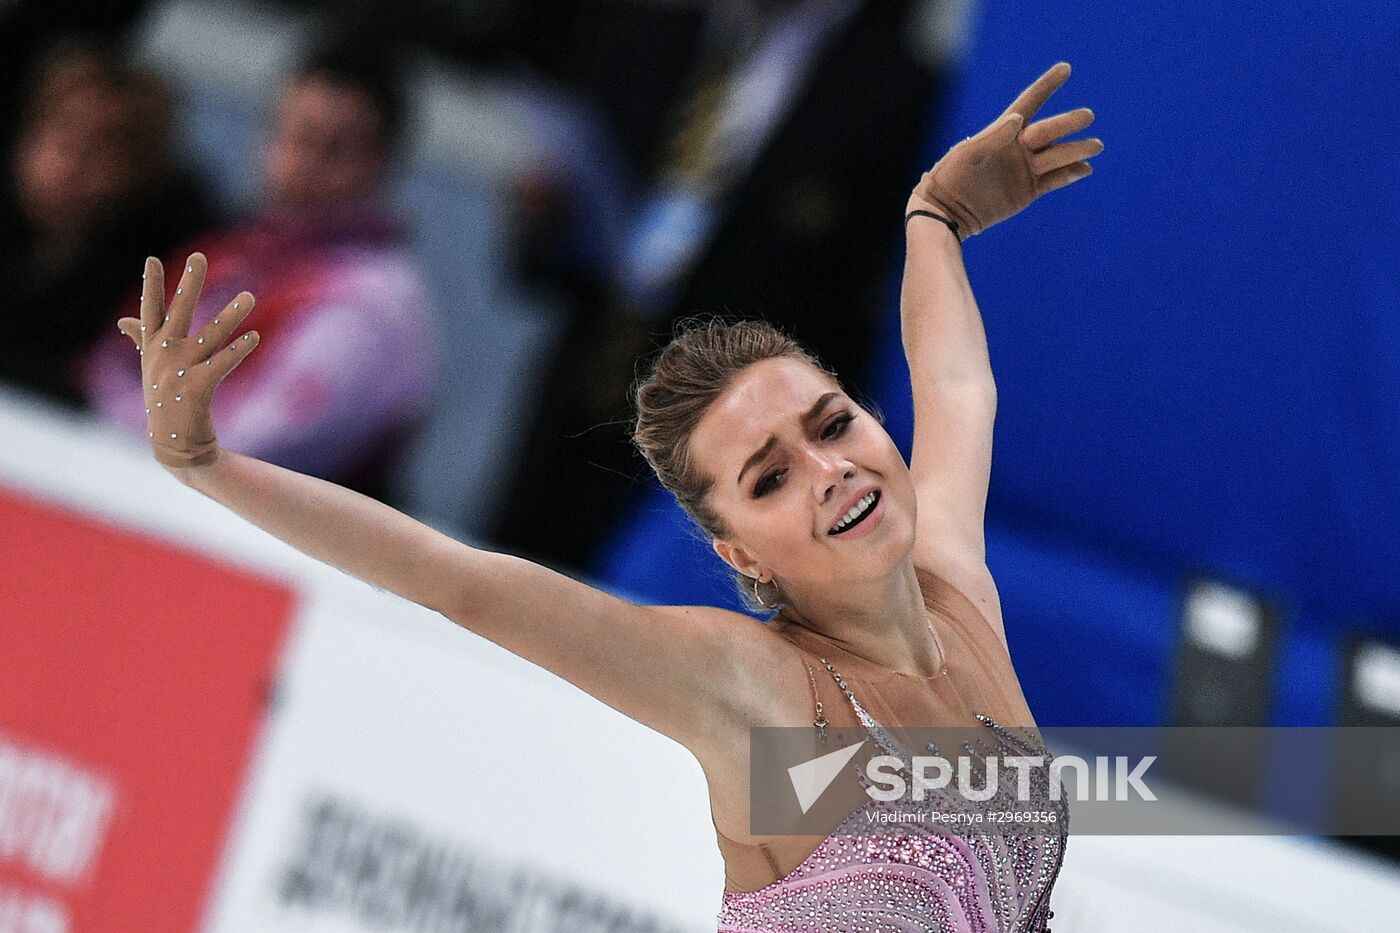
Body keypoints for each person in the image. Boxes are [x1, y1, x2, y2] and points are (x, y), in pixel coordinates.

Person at [112, 62, 1100, 931]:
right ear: (738, 553)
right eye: (768, 478)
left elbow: (957, 389)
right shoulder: (745, 688)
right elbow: (459, 583)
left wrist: (932, 218)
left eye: (831, 423)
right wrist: (210, 466)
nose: (828, 466)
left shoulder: (956, 588)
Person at [81, 36, 434, 503]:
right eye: (293, 136)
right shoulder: (231, 253)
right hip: (147, 491)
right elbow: (108, 363)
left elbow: (251, 447)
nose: (302, 165)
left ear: (380, 164)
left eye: (334, 149)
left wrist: (118, 433)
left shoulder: (376, 302)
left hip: (265, 547)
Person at [0, 40, 215, 408]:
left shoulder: (162, 275)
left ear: (142, 169)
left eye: (100, 147)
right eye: (62, 133)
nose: (70, 165)